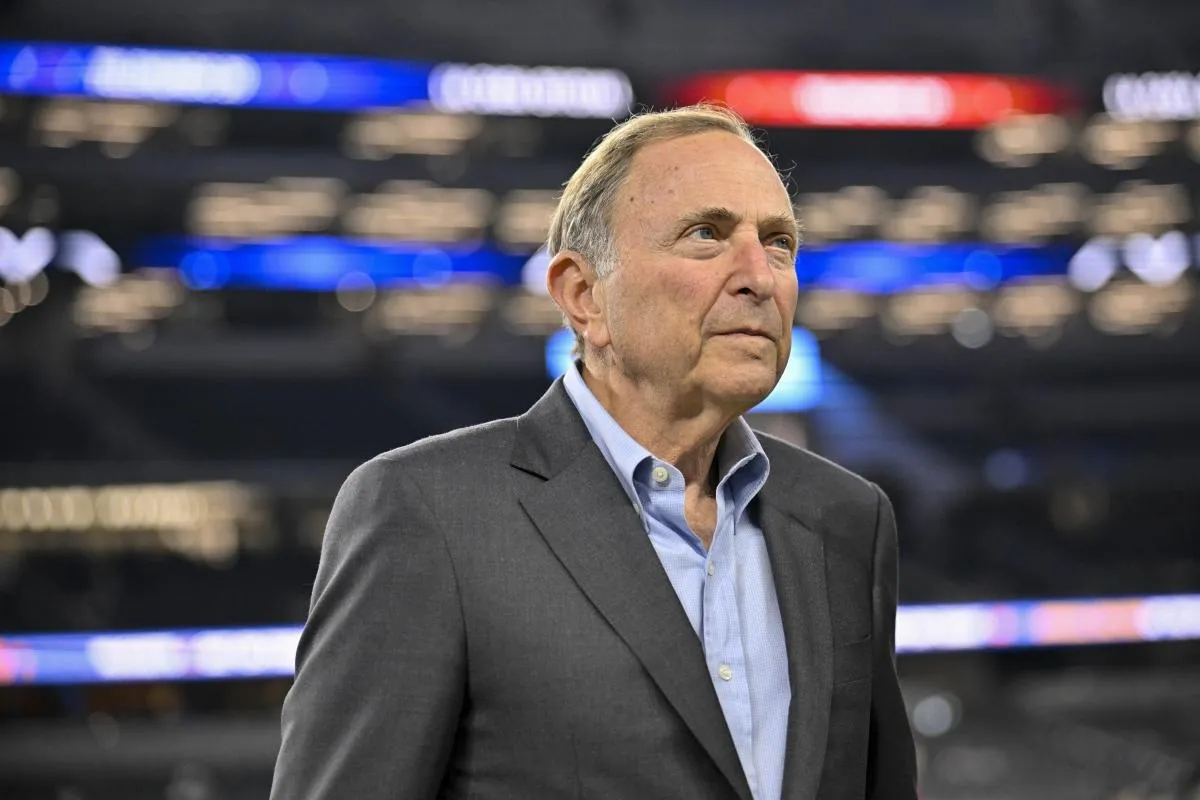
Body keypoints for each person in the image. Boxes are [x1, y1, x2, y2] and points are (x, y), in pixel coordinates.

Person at [270, 104, 918, 800]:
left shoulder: (848, 519)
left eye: (779, 243)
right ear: (584, 296)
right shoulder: (427, 514)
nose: (760, 277)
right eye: (706, 234)